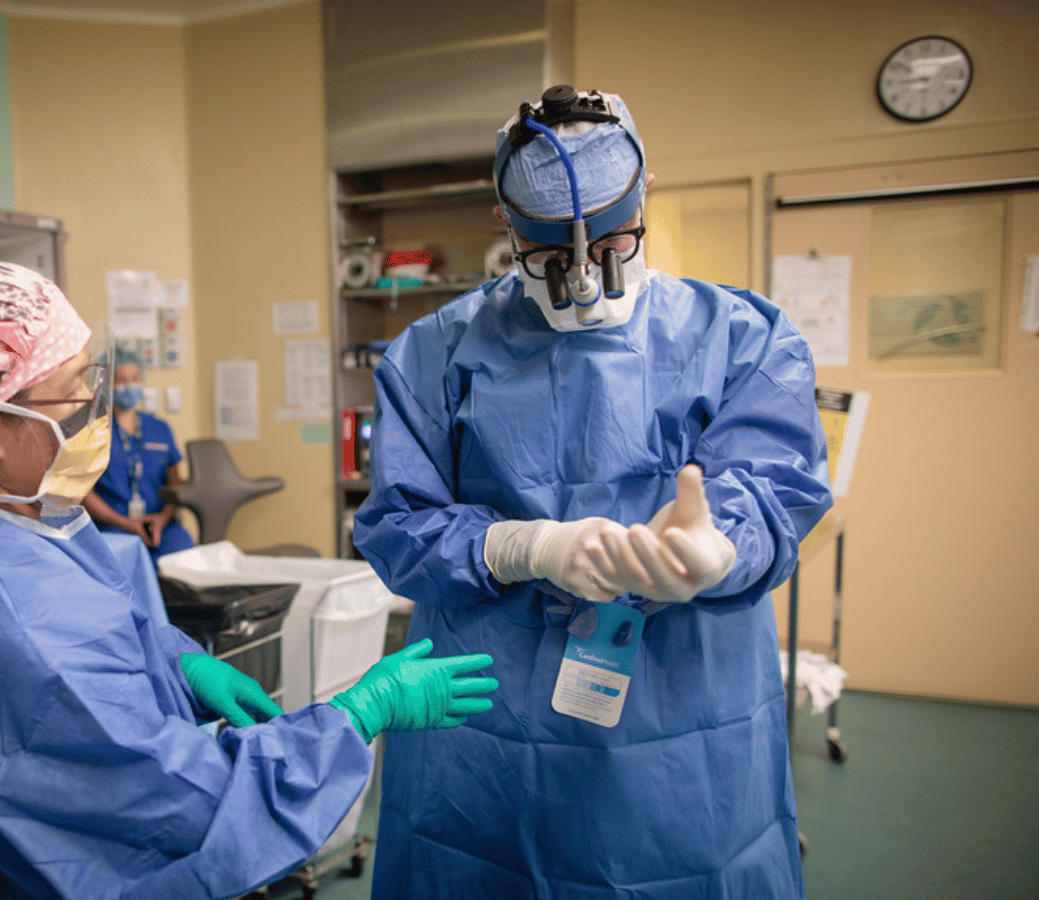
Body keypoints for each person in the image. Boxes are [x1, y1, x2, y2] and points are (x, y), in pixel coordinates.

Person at [0, 260, 498, 900]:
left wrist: (182, 664)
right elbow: (190, 808)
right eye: (72, 391)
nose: (95, 403)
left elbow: (97, 628)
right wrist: (356, 716)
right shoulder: (11, 608)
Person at [353, 86, 834, 899]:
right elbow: (400, 523)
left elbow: (775, 486)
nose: (583, 277)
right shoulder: (432, 352)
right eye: (550, 257)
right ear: (506, 224)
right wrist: (525, 547)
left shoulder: (742, 337)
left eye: (611, 243)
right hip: (488, 724)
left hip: (684, 715)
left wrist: (720, 546)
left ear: (645, 193)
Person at [83, 354, 195, 560]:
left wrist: (162, 519)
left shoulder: (160, 429)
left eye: (134, 379)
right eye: (121, 380)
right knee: (125, 566)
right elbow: (83, 492)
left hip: (159, 524)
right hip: (113, 526)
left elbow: (176, 485)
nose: (129, 386)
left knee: (184, 554)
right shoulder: (93, 430)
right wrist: (125, 523)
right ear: (108, 383)